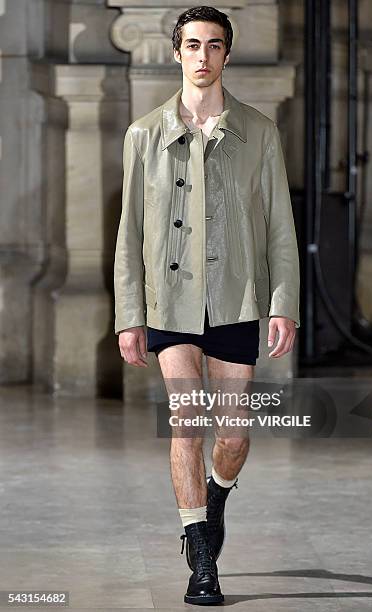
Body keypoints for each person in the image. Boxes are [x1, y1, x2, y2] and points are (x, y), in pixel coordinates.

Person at [114, 5, 300, 605]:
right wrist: (129, 315)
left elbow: (280, 229)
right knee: (187, 424)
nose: (202, 56)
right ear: (176, 52)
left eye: (213, 46)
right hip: (170, 304)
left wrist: (283, 304)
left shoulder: (259, 132)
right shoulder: (143, 134)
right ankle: (200, 553)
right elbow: (129, 233)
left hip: (236, 299)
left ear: (226, 54)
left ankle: (215, 496)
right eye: (191, 45)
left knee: (235, 435)